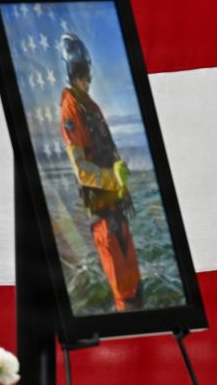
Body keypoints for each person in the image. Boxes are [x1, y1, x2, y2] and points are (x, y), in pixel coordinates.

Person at [59, 33, 144, 312]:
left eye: (87, 72)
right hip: (101, 213)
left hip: (117, 206)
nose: (86, 78)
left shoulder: (91, 106)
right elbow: (81, 170)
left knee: (136, 288)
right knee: (124, 292)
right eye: (81, 72)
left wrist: (121, 173)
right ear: (72, 72)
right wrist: (112, 179)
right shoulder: (70, 109)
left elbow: (109, 148)